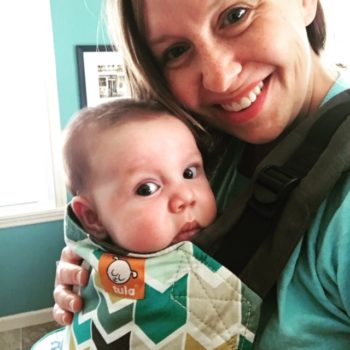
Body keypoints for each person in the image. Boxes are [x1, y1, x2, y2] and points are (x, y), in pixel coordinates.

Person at [53, 1, 350, 349]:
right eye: (177, 51)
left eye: (235, 15)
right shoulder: (200, 145)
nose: (220, 78)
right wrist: (98, 283)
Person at [35, 99, 260, 349]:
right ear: (92, 218)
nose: (185, 197)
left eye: (189, 173)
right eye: (147, 188)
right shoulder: (87, 267)